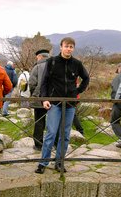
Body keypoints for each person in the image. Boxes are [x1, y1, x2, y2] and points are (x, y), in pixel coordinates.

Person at [35, 37, 90, 174]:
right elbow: (44, 82)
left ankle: (59, 162)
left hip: (70, 104)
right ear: (61, 47)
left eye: (71, 47)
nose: (69, 49)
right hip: (55, 103)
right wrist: (44, 99)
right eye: (66, 46)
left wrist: (77, 91)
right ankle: (43, 162)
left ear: (73, 48)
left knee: (65, 135)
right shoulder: (52, 61)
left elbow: (86, 78)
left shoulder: (77, 64)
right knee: (51, 133)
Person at [29, 49, 50, 151]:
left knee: (39, 121)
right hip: (54, 99)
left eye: (37, 57)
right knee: (53, 121)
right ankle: (53, 144)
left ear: (40, 56)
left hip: (39, 98)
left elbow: (32, 83)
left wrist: (34, 94)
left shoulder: (37, 67)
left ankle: (38, 145)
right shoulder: (54, 65)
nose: (36, 58)